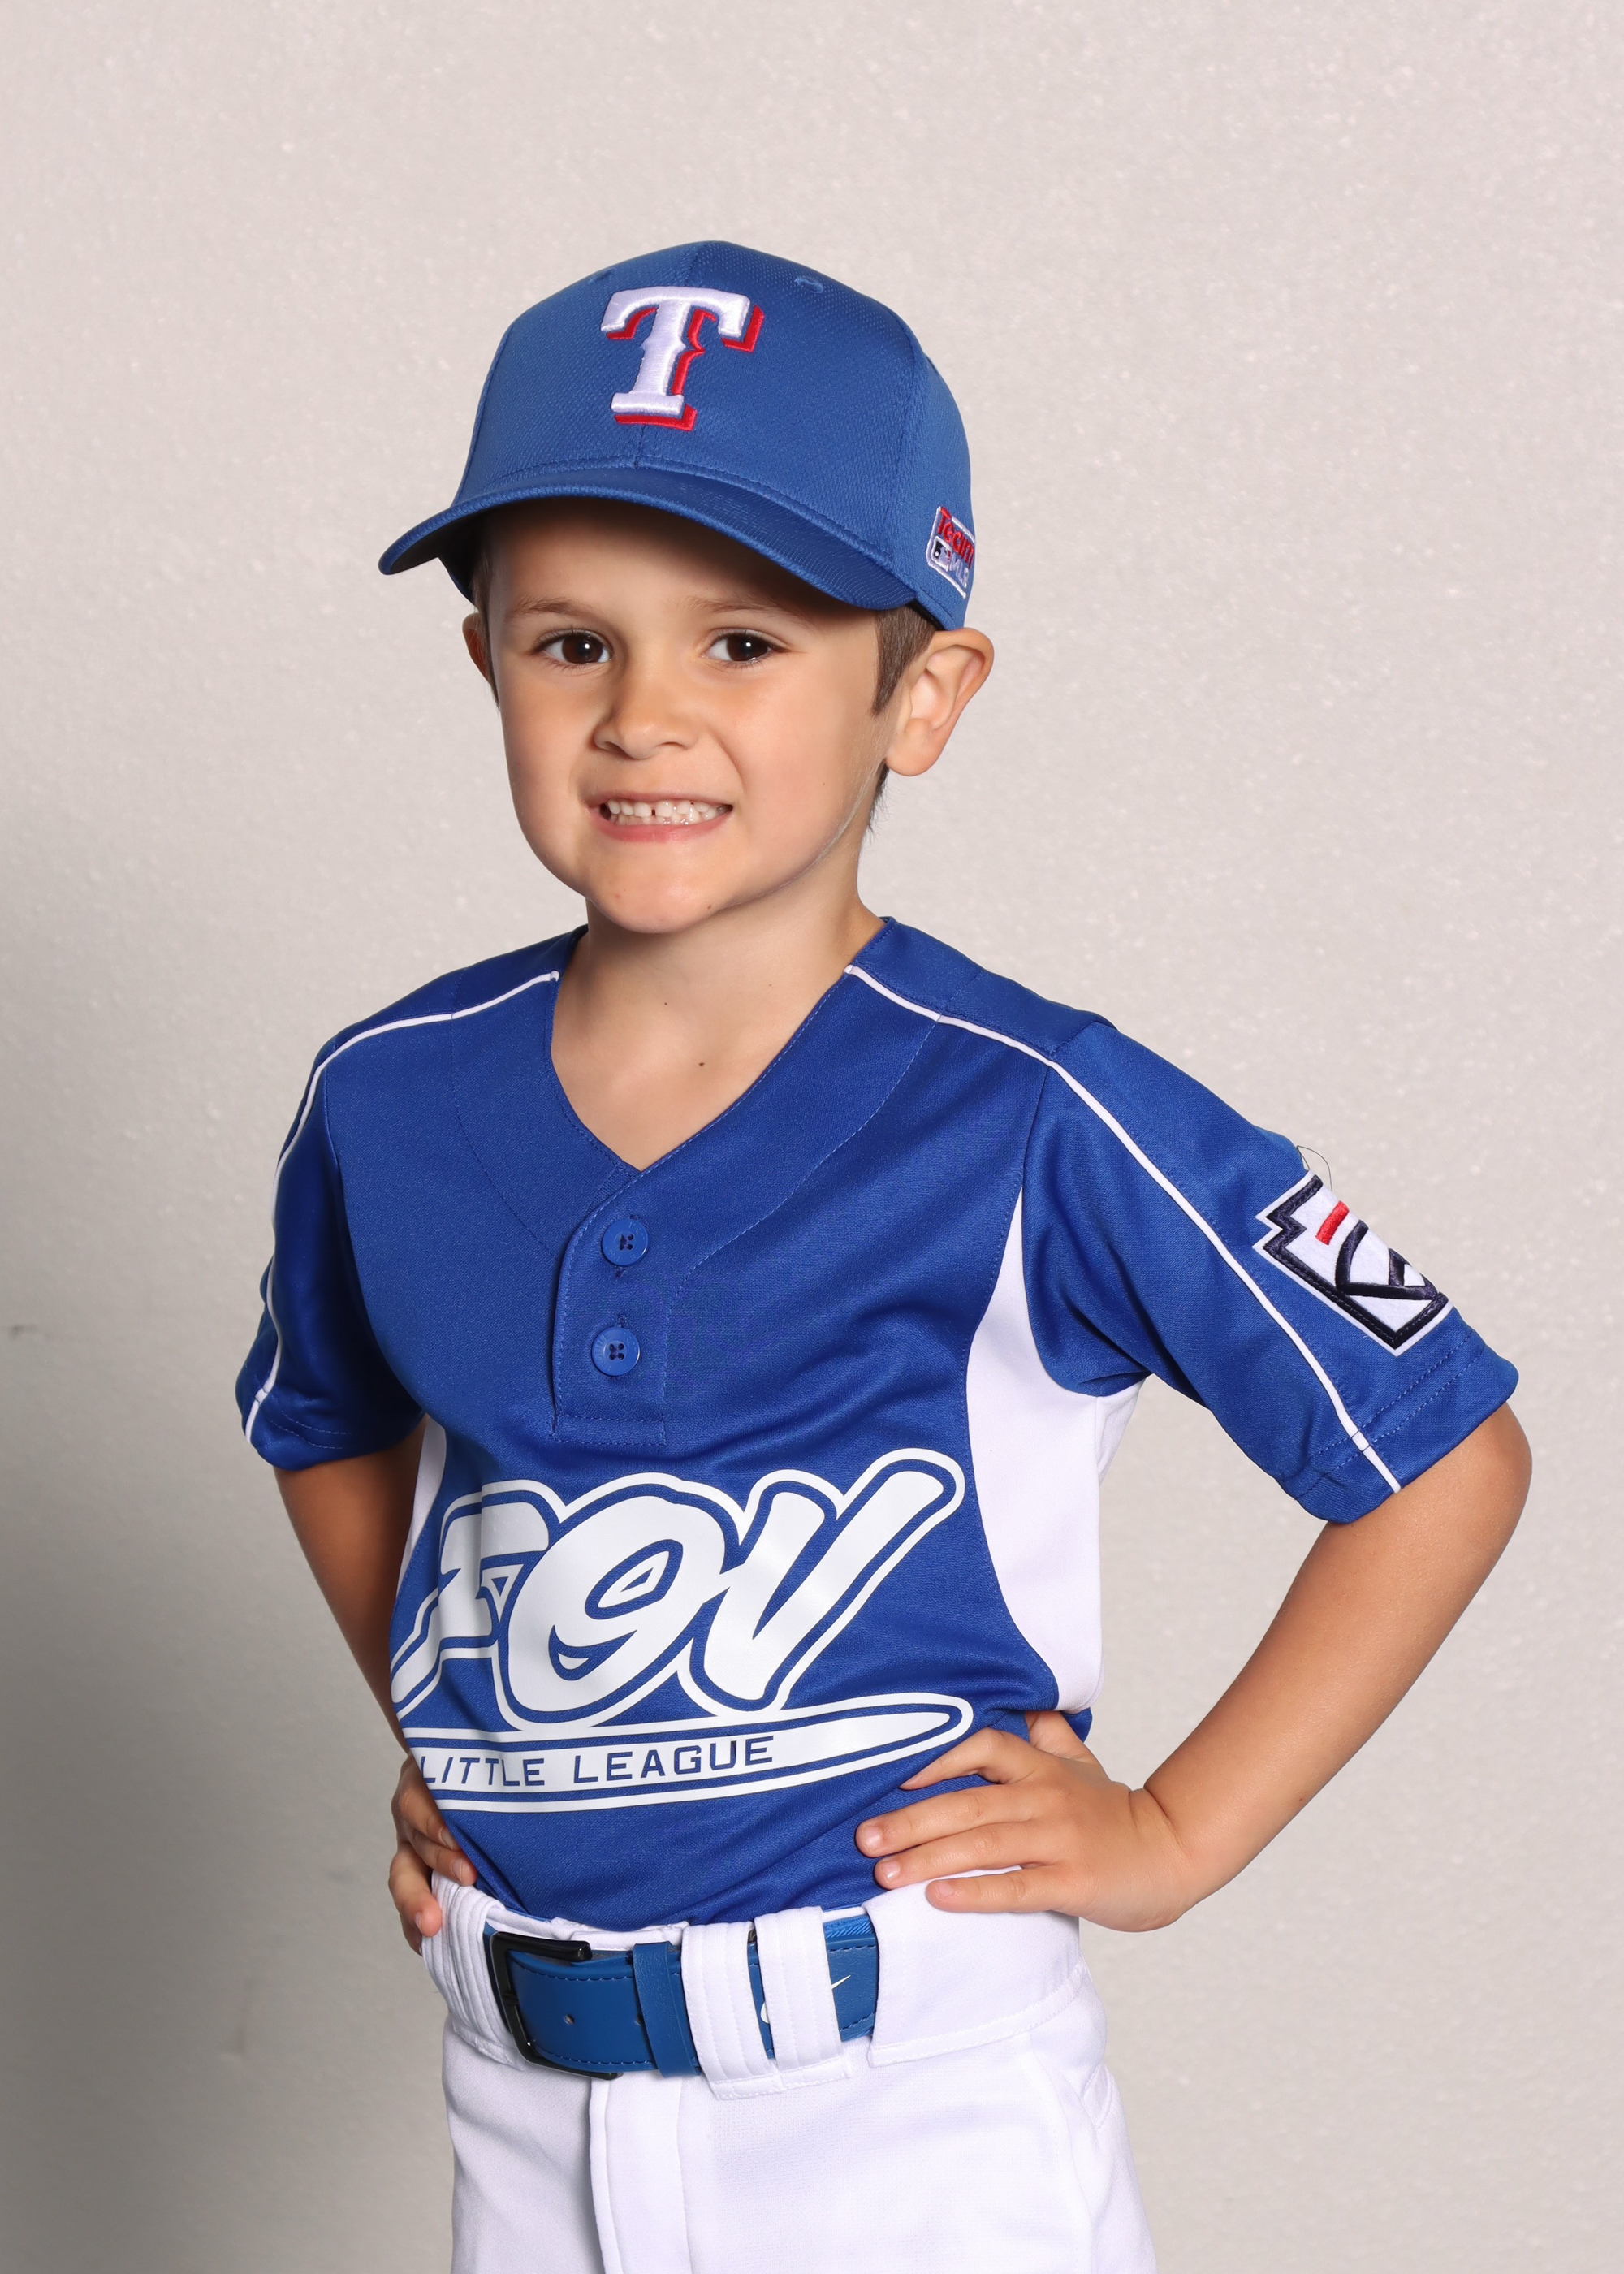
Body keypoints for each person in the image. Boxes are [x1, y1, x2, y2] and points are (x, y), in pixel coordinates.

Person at [238, 242, 1529, 2273]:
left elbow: (1443, 1453)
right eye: (572, 640)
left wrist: (1172, 1834)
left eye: (744, 640)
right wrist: (456, 1718)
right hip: (522, 2089)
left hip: (908, 2103)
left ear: (919, 692)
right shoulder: (386, 1093)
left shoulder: (1036, 1105)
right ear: (483, 658)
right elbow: (324, 1418)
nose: (643, 715)